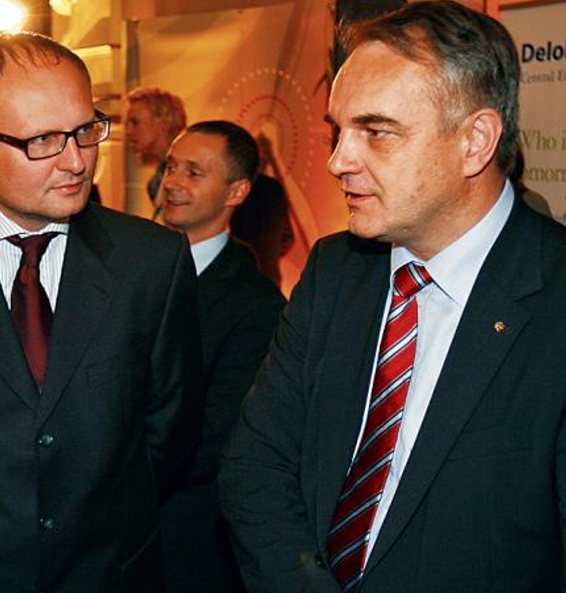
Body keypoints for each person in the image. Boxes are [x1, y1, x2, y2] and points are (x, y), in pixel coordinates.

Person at [218, 2, 566, 592]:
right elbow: (256, 464)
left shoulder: (552, 296)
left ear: (476, 140)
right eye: (337, 130)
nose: (337, 160)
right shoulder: (335, 269)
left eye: (376, 131)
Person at [0, 32, 203, 593]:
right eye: (44, 141)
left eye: (85, 131)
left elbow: (168, 432)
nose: (76, 161)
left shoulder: (152, 262)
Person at [159, 120, 285, 592]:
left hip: (189, 538)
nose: (173, 181)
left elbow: (222, 433)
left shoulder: (256, 304)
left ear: (236, 191)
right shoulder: (125, 268)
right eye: (172, 166)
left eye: (194, 172)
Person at [125, 87, 187, 211]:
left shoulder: (186, 174)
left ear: (163, 122)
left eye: (135, 122)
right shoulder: (160, 177)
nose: (128, 131)